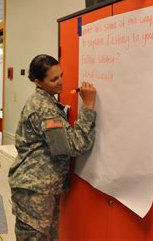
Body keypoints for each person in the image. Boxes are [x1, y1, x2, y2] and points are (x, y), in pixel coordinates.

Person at [8, 54, 97, 240]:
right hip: (35, 192)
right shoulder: (45, 108)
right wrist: (88, 106)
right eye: (54, 79)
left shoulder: (45, 101)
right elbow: (72, 146)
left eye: (61, 75)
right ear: (38, 82)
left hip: (39, 189)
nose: (61, 82)